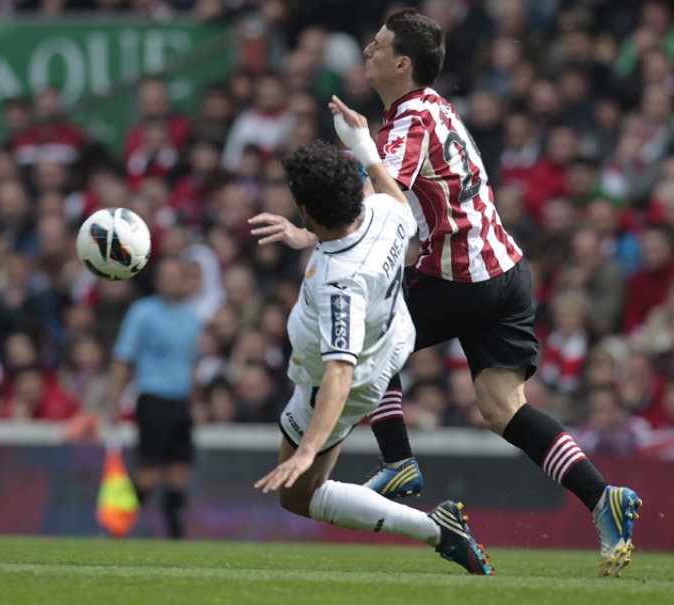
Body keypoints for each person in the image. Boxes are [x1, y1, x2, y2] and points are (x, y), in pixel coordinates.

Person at [249, 9, 640, 577]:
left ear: (402, 63)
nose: (367, 51)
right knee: (504, 409)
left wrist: (334, 190)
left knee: (370, 328)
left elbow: (382, 201)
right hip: (505, 269)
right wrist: (357, 154)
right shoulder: (433, 108)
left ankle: (399, 460)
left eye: (378, 46)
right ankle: (604, 497)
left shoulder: (408, 121)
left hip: (462, 273)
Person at [253, 114, 492, 575]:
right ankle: (406, 475)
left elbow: (339, 375)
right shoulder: (386, 212)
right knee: (307, 480)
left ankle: (439, 530)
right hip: (392, 337)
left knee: (298, 494)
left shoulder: (340, 283)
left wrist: (306, 452)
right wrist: (363, 146)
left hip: (342, 381)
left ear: (307, 210)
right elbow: (388, 188)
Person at [107, 256, 203, 539]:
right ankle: (115, 527)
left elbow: (192, 364)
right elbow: (123, 358)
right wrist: (114, 402)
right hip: (153, 400)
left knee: (178, 475)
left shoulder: (191, 316)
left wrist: (195, 403)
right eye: (167, 275)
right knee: (149, 475)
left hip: (180, 403)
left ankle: (176, 541)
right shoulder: (143, 312)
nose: (173, 281)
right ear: (158, 280)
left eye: (178, 275)